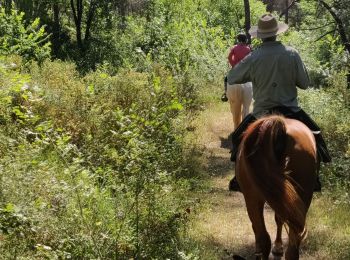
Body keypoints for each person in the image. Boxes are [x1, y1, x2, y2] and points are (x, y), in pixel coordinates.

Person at [226, 13, 331, 192]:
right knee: (317, 137)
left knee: (237, 139)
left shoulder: (253, 57)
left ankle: (238, 178)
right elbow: (305, 84)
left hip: (262, 112)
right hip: (291, 110)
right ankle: (315, 178)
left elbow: (232, 77)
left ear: (260, 35)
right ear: (277, 33)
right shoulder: (291, 53)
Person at [221, 33, 251, 102]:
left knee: (226, 79)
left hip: (235, 69)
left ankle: (225, 93)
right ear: (245, 40)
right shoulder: (248, 49)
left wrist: (233, 65)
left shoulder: (234, 48)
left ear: (238, 40)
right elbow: (250, 59)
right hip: (245, 70)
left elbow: (229, 57)